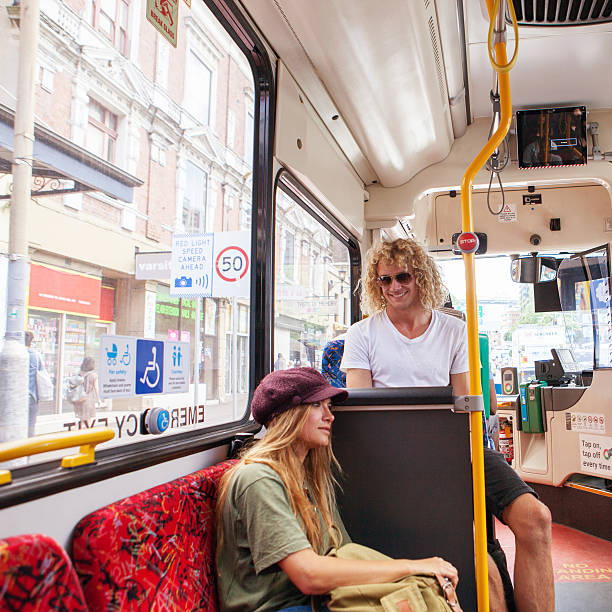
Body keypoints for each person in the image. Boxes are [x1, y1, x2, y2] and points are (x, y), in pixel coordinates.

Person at [341, 238, 553, 612]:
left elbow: (465, 407)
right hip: (393, 458)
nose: (393, 287)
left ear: (421, 277)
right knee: (470, 544)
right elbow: (364, 412)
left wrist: (460, 462)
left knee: (536, 519)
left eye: (402, 276)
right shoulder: (363, 334)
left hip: (456, 445)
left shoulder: (455, 332)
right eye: (384, 281)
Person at [216, 367, 459, 612]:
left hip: (318, 601)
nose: (329, 416)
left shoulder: (308, 477)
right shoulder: (258, 479)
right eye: (315, 406)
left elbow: (341, 551)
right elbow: (308, 575)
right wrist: (412, 567)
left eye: (328, 406)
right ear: (288, 415)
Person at [73, 356, 100, 421]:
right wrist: (98, 399)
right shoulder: (94, 375)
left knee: (81, 419)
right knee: (88, 420)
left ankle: (79, 429)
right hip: (89, 399)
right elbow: (96, 388)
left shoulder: (79, 373)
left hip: (79, 398)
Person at [25, 331, 41, 437]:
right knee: (31, 426)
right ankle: (28, 452)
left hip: (16, 397)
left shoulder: (14, 355)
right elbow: (41, 374)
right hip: (33, 396)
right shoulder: (36, 356)